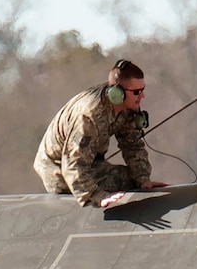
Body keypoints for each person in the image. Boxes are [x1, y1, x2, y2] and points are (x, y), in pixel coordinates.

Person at [33, 58, 165, 204]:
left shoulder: (127, 106)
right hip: (58, 169)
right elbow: (72, 163)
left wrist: (143, 179)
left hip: (90, 163)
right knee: (119, 182)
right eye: (136, 92)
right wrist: (96, 196)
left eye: (142, 90)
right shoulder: (88, 116)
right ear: (117, 93)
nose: (142, 96)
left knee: (130, 179)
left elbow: (132, 144)